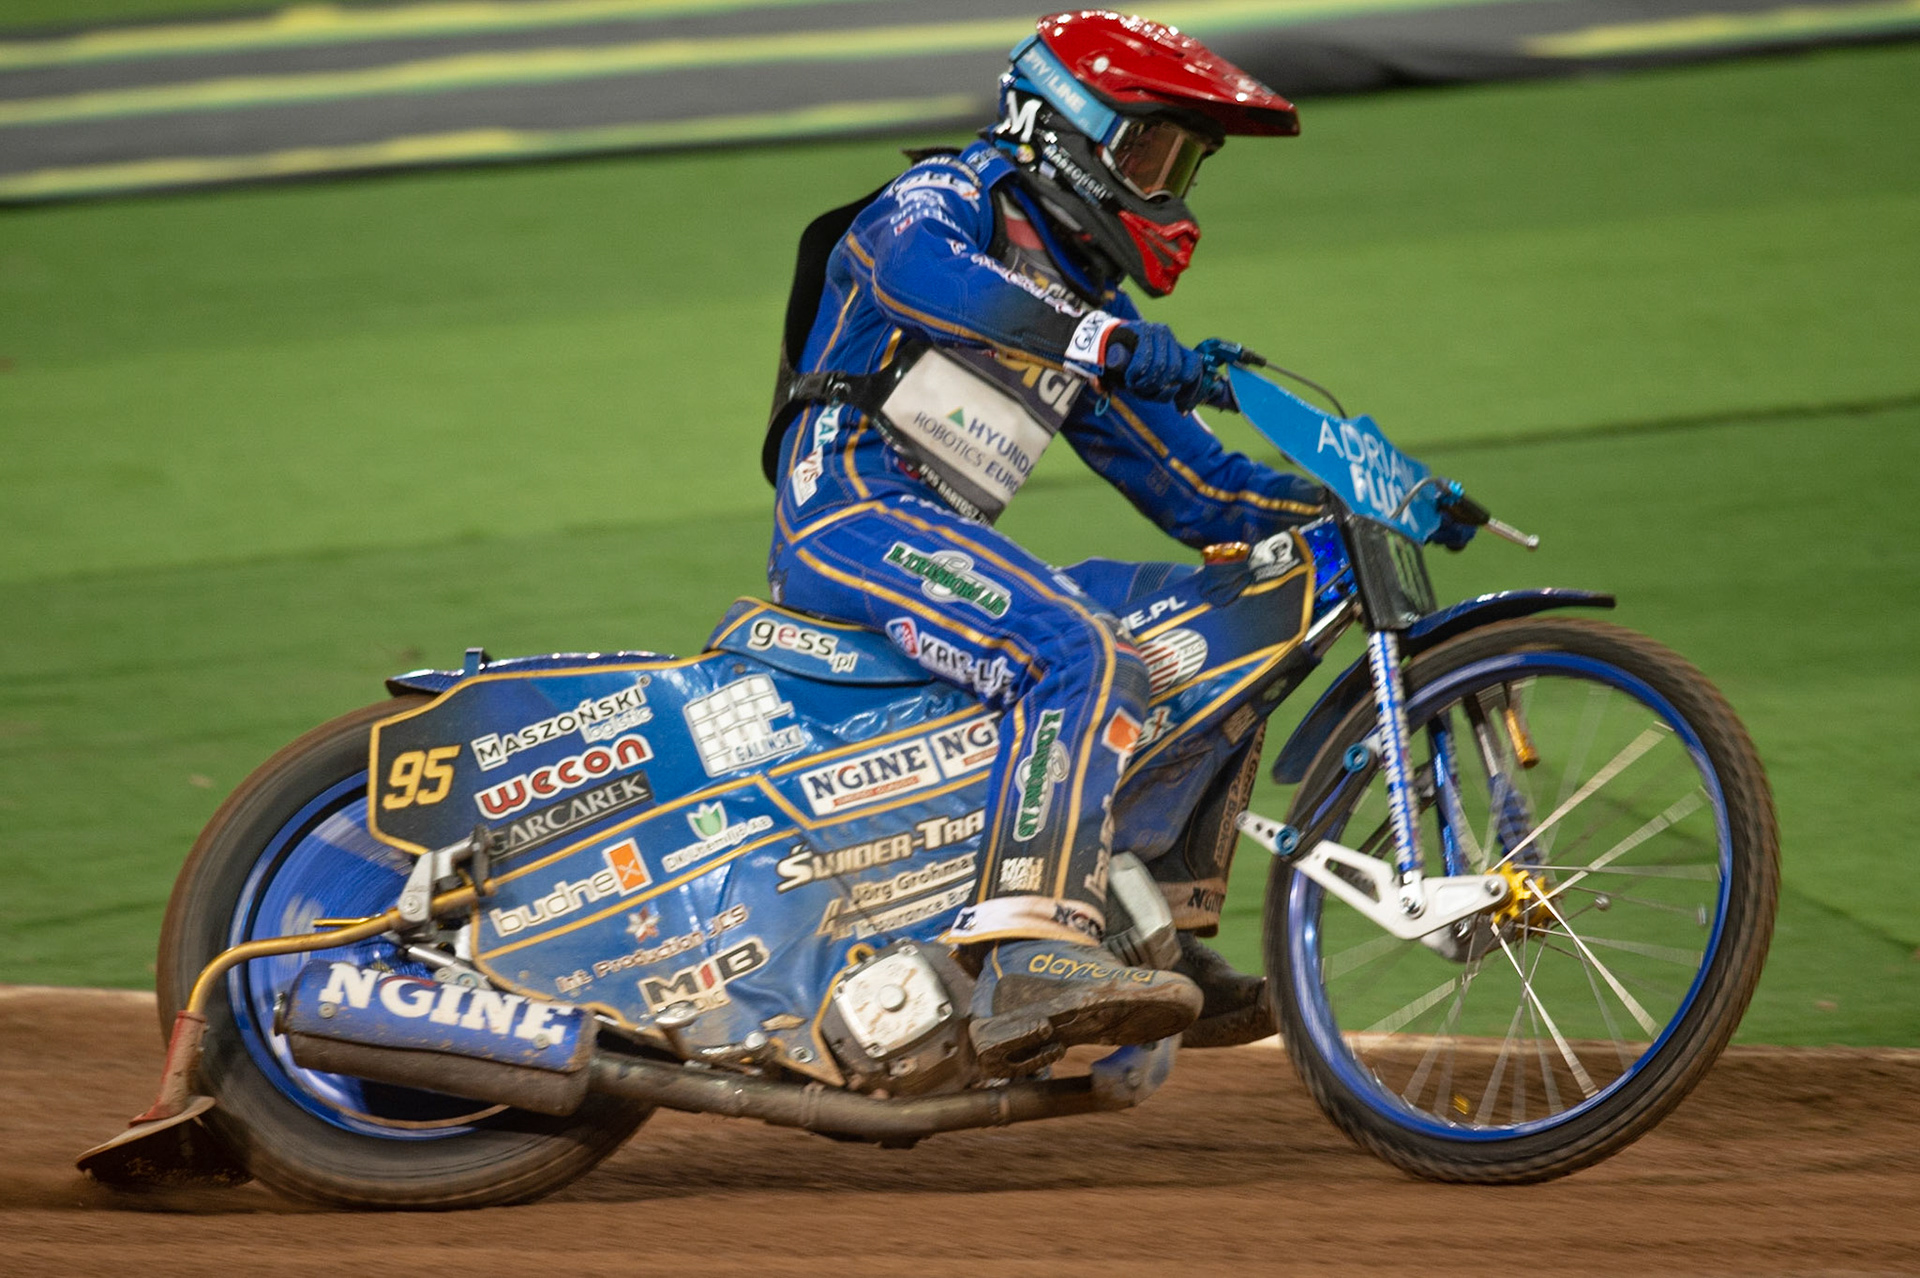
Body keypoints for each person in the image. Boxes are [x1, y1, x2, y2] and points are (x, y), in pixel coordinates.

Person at [762, 10, 1327, 1075]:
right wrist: (1104, 342)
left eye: (1184, 166)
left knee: (1243, 608)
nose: (1168, 189)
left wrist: (1348, 510)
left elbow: (1202, 490)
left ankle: (1153, 922)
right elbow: (934, 282)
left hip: (931, 540)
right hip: (845, 513)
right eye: (1151, 153)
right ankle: (1027, 951)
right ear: (1065, 132)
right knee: (1082, 651)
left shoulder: (1077, 304)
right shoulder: (943, 199)